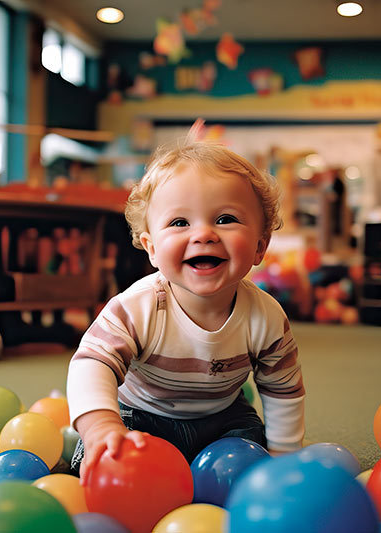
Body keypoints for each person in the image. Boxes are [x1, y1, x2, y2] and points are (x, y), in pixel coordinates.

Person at [66, 127, 305, 481]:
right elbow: (91, 364)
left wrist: (284, 455)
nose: (204, 234)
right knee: (110, 463)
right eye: (180, 222)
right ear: (151, 248)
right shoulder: (137, 306)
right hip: (140, 415)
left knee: (252, 461)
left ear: (259, 246)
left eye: (225, 219)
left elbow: (282, 388)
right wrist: (101, 426)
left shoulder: (266, 316)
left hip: (223, 419)